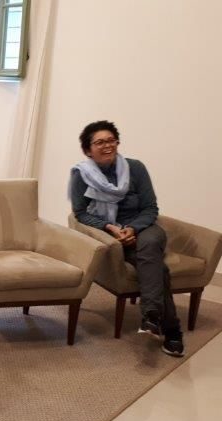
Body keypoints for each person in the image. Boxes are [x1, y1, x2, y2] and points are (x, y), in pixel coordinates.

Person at [69, 120, 185, 357]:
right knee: (158, 268)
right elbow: (80, 213)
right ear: (88, 150)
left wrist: (132, 228)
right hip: (111, 232)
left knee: (150, 244)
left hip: (144, 227)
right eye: (100, 142)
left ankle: (151, 314)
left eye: (111, 140)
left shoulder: (135, 168)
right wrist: (110, 227)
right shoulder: (81, 175)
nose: (107, 145)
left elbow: (150, 208)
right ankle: (170, 328)